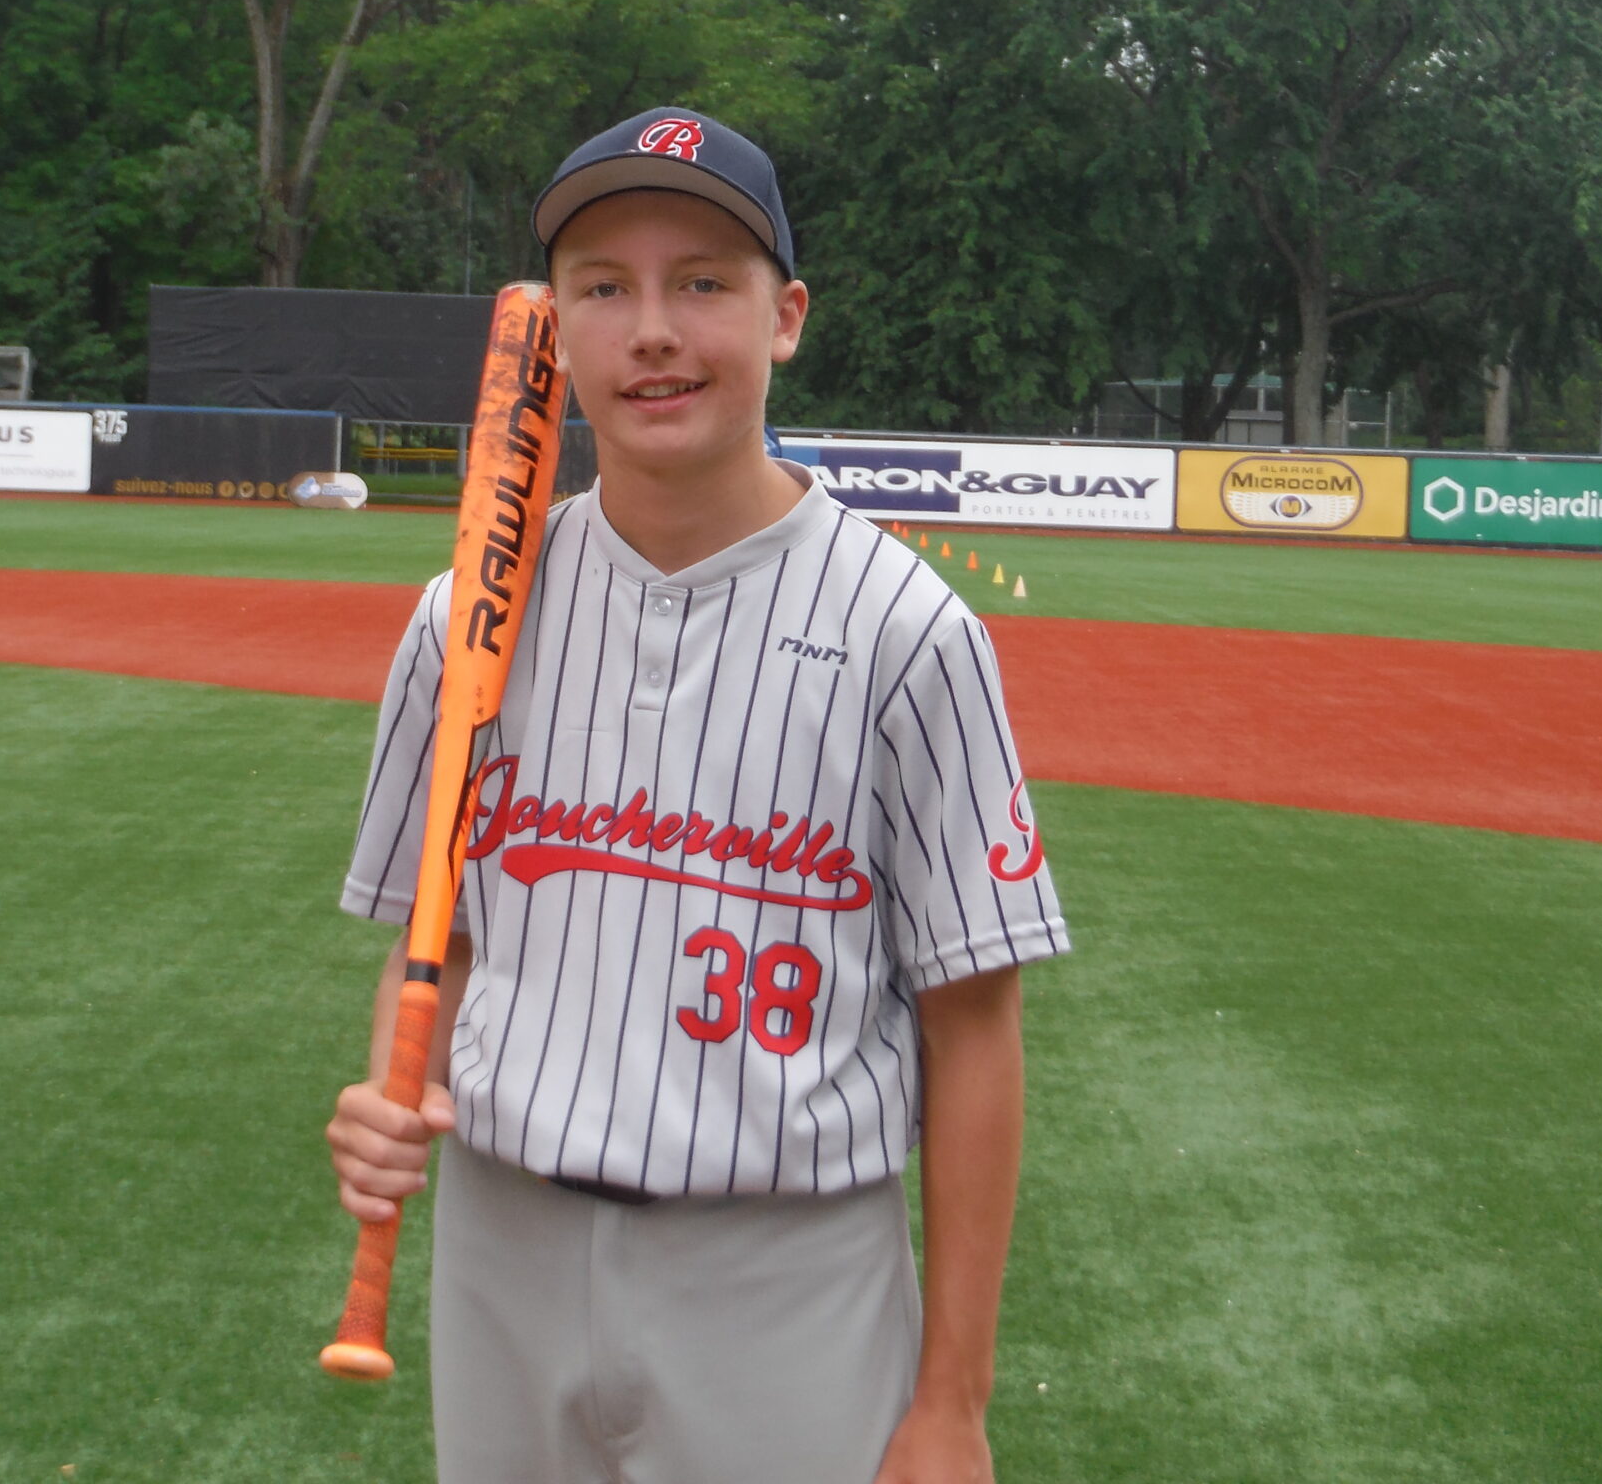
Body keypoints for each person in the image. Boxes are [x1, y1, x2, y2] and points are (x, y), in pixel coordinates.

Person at [325, 108, 1069, 1484]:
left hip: (784, 1273)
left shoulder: (909, 634)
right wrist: (390, 1091)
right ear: (555, 329)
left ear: (785, 318)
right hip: (502, 1251)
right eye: (604, 286)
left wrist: (952, 1403)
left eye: (703, 284)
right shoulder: (463, 621)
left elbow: (976, 1028)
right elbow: (446, 943)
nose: (652, 329)